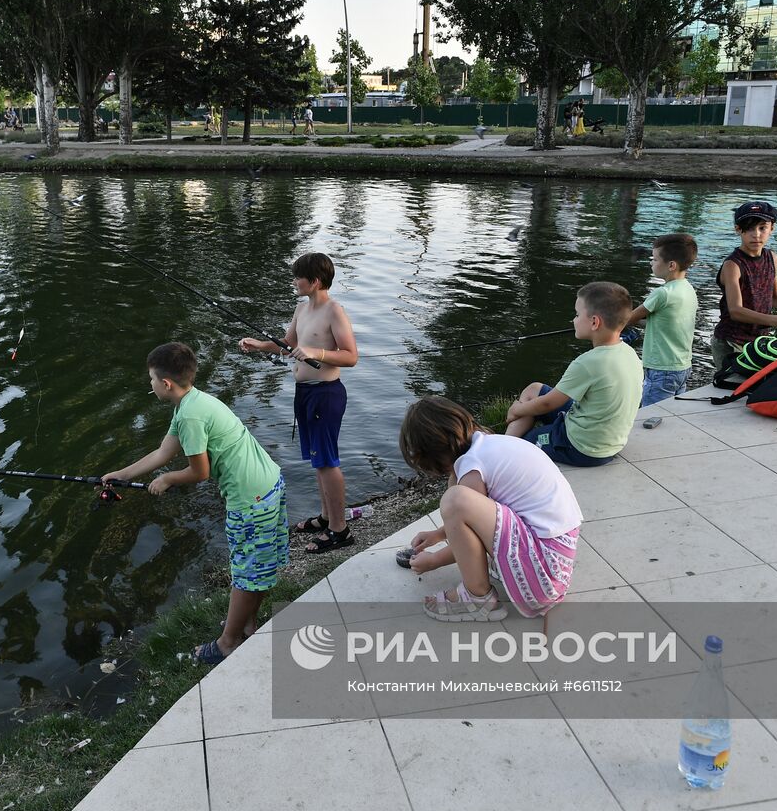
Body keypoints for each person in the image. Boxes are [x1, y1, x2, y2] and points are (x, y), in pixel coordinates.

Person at [102, 343, 287, 664]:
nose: (150, 384)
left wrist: (168, 479)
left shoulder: (189, 417)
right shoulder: (194, 402)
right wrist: (120, 473)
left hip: (250, 500)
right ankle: (247, 624)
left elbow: (200, 472)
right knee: (256, 567)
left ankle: (228, 642)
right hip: (267, 483)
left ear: (166, 384)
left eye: (151, 379)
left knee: (245, 573)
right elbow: (163, 452)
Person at [398, 396, 582, 621]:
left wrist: (434, 560)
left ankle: (476, 599)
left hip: (543, 576)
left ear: (432, 455)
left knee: (455, 500)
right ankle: (500, 579)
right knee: (460, 500)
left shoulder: (473, 466)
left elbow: (464, 517)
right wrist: (438, 534)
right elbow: (479, 518)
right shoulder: (489, 445)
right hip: (557, 566)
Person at [239, 253, 359, 553]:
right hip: (304, 394)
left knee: (327, 462)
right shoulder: (301, 308)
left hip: (326, 394)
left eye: (298, 277)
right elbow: (290, 345)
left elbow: (350, 356)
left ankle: (339, 530)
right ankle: (326, 516)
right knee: (318, 461)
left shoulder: (334, 311)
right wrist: (259, 345)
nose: (294, 281)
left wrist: (316, 353)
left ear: (315, 281)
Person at [504, 281, 642, 466]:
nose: (573, 320)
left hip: (583, 448)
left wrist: (516, 409)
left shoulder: (588, 363)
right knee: (534, 389)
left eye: (577, 315)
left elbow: (547, 403)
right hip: (611, 441)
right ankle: (505, 443)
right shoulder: (628, 352)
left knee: (525, 440)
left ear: (594, 322)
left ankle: (503, 450)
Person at [711, 200, 777, 376]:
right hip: (731, 342)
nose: (756, 234)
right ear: (738, 230)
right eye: (749, 229)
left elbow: (774, 297)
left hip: (760, 341)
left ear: (772, 228)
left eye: (762, 227)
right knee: (733, 390)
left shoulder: (772, 258)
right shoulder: (733, 265)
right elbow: (735, 311)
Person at [625, 233, 699, 406]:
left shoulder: (662, 293)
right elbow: (661, 322)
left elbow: (628, 318)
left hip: (661, 369)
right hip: (682, 367)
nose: (652, 262)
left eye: (655, 259)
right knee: (671, 414)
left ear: (671, 265)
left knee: (649, 416)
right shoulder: (688, 289)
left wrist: (600, 322)